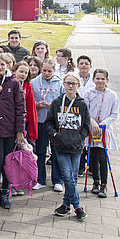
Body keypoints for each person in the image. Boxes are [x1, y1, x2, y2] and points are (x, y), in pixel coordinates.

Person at [44, 72, 91, 221]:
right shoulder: (58, 102)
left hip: (76, 147)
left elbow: (86, 126)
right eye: (68, 83)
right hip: (61, 146)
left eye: (73, 84)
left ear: (78, 85)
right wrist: (55, 135)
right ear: (63, 84)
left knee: (73, 178)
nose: (70, 86)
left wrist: (80, 137)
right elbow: (49, 122)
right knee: (67, 176)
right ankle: (77, 207)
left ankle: (66, 205)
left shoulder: (82, 104)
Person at [0, 53, 26, 210]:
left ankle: (5, 191)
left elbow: (20, 108)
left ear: (8, 65)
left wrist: (20, 131)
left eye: (3, 64)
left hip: (10, 129)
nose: (0, 67)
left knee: (8, 162)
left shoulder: (14, 82)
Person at [82, 69, 119, 199]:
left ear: (107, 80)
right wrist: (92, 122)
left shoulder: (112, 95)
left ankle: (104, 184)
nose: (100, 81)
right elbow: (86, 110)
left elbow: (114, 113)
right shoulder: (88, 93)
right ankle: (95, 182)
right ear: (93, 80)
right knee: (92, 156)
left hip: (104, 130)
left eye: (103, 79)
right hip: (92, 129)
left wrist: (103, 123)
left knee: (103, 157)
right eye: (97, 78)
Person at [30, 58, 65, 191]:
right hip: (40, 120)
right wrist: (36, 105)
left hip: (54, 122)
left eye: (49, 71)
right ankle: (40, 179)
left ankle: (57, 180)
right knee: (40, 150)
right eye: (44, 70)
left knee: (56, 150)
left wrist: (53, 106)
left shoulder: (59, 83)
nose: (46, 73)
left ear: (54, 70)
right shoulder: (34, 82)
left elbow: (63, 101)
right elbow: (29, 100)